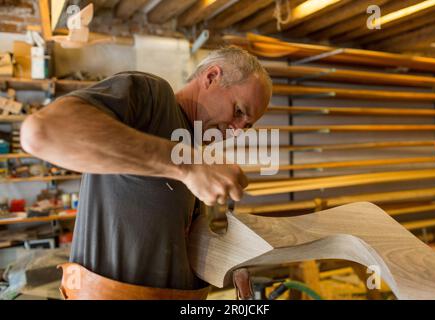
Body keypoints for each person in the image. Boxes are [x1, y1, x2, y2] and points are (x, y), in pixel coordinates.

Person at [20, 46, 272, 299]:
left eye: (247, 126)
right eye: (239, 111)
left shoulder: (193, 148)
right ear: (211, 77)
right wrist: (187, 165)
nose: (237, 131)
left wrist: (229, 258)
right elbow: (42, 132)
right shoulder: (155, 98)